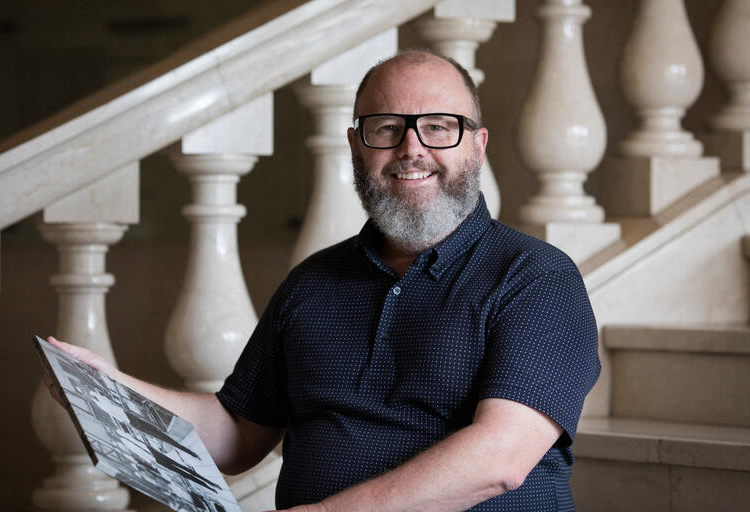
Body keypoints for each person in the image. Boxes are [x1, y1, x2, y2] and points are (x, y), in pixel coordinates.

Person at [45, 50, 600, 511]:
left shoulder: (536, 278)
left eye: (439, 127)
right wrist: (110, 391)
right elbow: (237, 434)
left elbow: (499, 460)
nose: (412, 148)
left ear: (477, 146)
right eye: (387, 128)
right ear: (357, 146)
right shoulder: (313, 283)